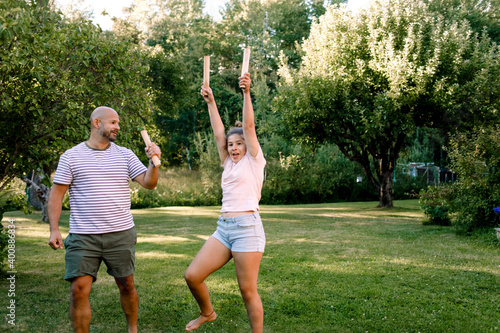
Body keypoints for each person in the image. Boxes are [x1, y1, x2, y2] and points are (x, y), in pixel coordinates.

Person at [47, 106, 161, 333]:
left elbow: (149, 183)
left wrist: (152, 162)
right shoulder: (71, 156)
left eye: (118, 123)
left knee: (126, 285)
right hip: (83, 235)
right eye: (113, 122)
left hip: (120, 233)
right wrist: (54, 229)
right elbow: (56, 195)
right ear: (97, 123)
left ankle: (133, 329)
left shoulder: (125, 154)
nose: (117, 127)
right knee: (78, 290)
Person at [184, 73, 266, 332]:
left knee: (247, 291)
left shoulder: (255, 160)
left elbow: (250, 128)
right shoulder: (228, 163)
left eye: (239, 144)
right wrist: (211, 102)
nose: (233, 148)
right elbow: (218, 131)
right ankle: (207, 313)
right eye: (231, 145)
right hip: (224, 229)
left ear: (248, 146)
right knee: (192, 276)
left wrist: (246, 93)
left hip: (247, 229)